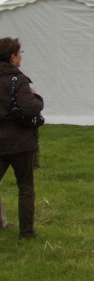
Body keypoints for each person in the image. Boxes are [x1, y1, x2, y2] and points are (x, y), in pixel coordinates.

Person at [0, 37, 44, 239]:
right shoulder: (19, 80)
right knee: (25, 187)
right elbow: (29, 108)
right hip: (20, 142)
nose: (21, 56)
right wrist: (36, 98)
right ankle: (27, 232)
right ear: (12, 57)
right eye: (20, 52)